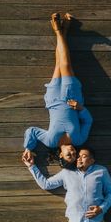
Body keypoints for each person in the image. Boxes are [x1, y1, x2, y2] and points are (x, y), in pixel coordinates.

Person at [22, 13, 93, 163]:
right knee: (66, 65)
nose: (73, 153)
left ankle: (63, 31)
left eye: (69, 155)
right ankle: (59, 31)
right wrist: (80, 108)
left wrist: (28, 148)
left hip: (53, 99)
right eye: (75, 155)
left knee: (59, 64)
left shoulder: (50, 141)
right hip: (71, 97)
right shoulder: (79, 140)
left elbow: (32, 131)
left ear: (60, 155)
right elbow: (88, 121)